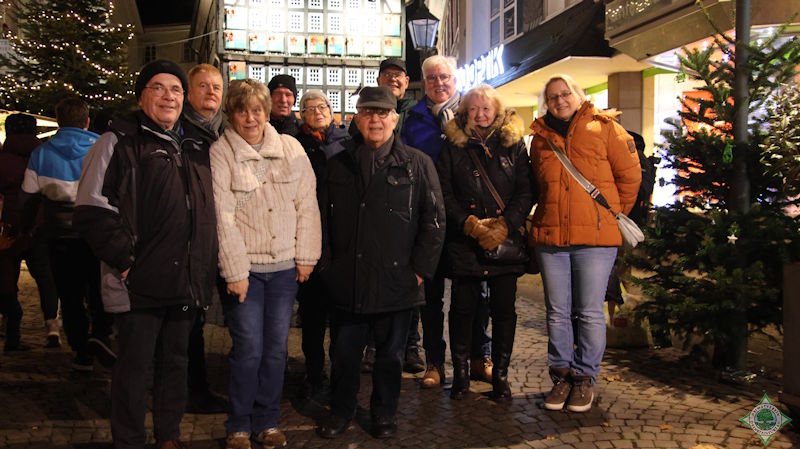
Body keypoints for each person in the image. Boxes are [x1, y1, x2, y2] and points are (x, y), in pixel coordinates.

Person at [74, 59, 219, 449]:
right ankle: (130, 440)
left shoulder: (196, 145)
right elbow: (91, 208)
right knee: (134, 368)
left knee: (176, 363)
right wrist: (125, 261)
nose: (168, 96)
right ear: (142, 96)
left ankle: (168, 436)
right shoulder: (118, 141)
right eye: (158, 87)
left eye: (175, 89)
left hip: (184, 280)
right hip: (138, 281)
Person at [315, 87, 445, 439]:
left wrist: (420, 271)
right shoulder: (337, 161)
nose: (375, 119)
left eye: (382, 113)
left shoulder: (417, 163)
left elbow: (434, 222)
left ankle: (384, 415)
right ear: (357, 118)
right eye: (368, 112)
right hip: (348, 277)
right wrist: (327, 266)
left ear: (394, 118)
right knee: (344, 354)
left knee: (391, 358)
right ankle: (341, 410)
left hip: (398, 280)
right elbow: (321, 220)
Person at [211, 78, 320, 449]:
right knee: (248, 350)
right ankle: (239, 424)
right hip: (248, 272)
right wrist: (235, 271)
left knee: (276, 349)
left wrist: (306, 257)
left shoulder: (290, 148)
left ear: (267, 111)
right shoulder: (222, 151)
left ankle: (268, 420)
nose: (250, 117)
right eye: (241, 110)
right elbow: (221, 216)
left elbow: (307, 205)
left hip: (285, 270)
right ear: (231, 114)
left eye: (256, 109)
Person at [529, 74, 640, 413]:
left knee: (589, 310)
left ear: (578, 95)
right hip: (551, 237)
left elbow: (631, 176)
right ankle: (561, 374)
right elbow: (539, 184)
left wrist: (610, 214)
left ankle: (584, 378)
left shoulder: (605, 128)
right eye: (552, 97)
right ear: (546, 103)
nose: (560, 101)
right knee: (557, 311)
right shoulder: (540, 139)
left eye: (565, 94)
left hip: (595, 238)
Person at [437, 84, 534, 401]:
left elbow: (525, 190)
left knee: (504, 310)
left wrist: (505, 225)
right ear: (465, 112)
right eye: (474, 109)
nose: (480, 114)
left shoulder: (514, 145)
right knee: (462, 309)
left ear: (497, 111)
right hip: (466, 241)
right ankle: (462, 375)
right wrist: (470, 224)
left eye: (486, 108)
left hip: (505, 242)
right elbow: (443, 192)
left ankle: (501, 376)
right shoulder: (452, 145)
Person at [401, 55, 493, 387]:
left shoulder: (473, 112)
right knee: (432, 297)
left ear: (455, 79)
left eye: (445, 77)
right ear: (424, 82)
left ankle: (479, 356)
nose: (439, 83)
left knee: (476, 294)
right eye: (432, 78)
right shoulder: (413, 119)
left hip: (468, 217)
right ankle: (435, 363)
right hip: (429, 217)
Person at [20, 97, 115, 371]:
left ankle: (80, 349)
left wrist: (26, 228)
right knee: (100, 290)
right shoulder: (102, 147)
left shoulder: (41, 153)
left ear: (59, 121)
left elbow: (28, 199)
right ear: (86, 121)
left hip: (60, 236)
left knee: (70, 295)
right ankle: (100, 335)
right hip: (98, 234)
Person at [351, 57, 424, 374]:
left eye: (399, 75)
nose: (393, 79)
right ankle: (371, 345)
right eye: (387, 75)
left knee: (409, 285)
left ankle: (411, 345)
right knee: (370, 281)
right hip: (374, 203)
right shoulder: (367, 112)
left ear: (407, 82)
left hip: (409, 204)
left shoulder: (418, 114)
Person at [294, 89, 348, 401]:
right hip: (309, 237)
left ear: (331, 109)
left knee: (340, 316)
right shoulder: (296, 144)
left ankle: (341, 373)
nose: (317, 111)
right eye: (310, 107)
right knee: (312, 316)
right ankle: (314, 373)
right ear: (302, 113)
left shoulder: (345, 141)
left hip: (339, 239)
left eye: (323, 105)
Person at [182, 63, 227, 414]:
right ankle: (192, 388)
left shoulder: (228, 131)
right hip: (192, 239)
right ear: (188, 92)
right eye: (203, 85)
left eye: (216, 86)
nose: (211, 91)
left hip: (228, 238)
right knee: (191, 317)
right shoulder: (179, 132)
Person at [0, 113, 59, 352]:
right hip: (41, 224)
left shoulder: (2, 159)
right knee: (46, 278)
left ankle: (11, 332)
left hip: (9, 227)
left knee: (7, 278)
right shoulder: (45, 156)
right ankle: (52, 328)